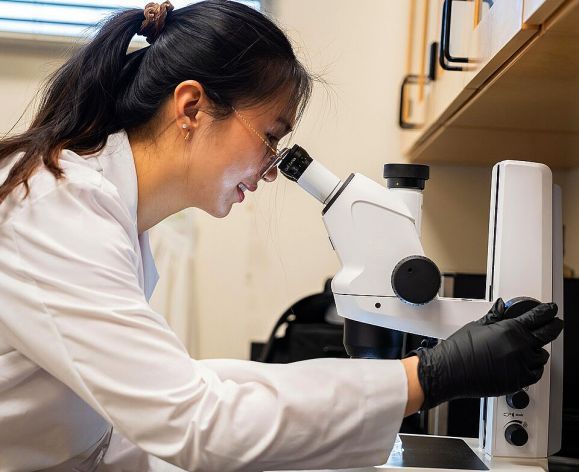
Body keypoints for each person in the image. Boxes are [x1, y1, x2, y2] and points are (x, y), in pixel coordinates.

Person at [0, 1, 563, 471]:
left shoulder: (96, 205)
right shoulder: (58, 211)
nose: (272, 169)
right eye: (270, 137)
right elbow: (197, 420)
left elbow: (187, 389)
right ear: (192, 107)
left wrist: (405, 380)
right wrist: (428, 377)